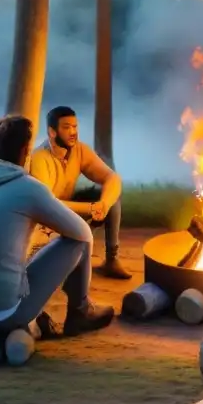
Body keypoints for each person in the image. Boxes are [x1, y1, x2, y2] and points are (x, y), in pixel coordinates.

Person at [0, 115, 114, 338]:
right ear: (25, 150)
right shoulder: (28, 187)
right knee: (80, 239)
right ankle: (81, 312)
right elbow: (82, 233)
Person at [28, 106, 131, 280]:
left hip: (69, 211)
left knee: (111, 197)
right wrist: (90, 208)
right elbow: (47, 203)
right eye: (67, 127)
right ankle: (67, 261)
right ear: (52, 132)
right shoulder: (39, 158)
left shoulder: (79, 150)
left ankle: (111, 260)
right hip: (46, 221)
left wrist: (103, 204)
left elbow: (112, 178)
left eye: (75, 127)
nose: (73, 132)